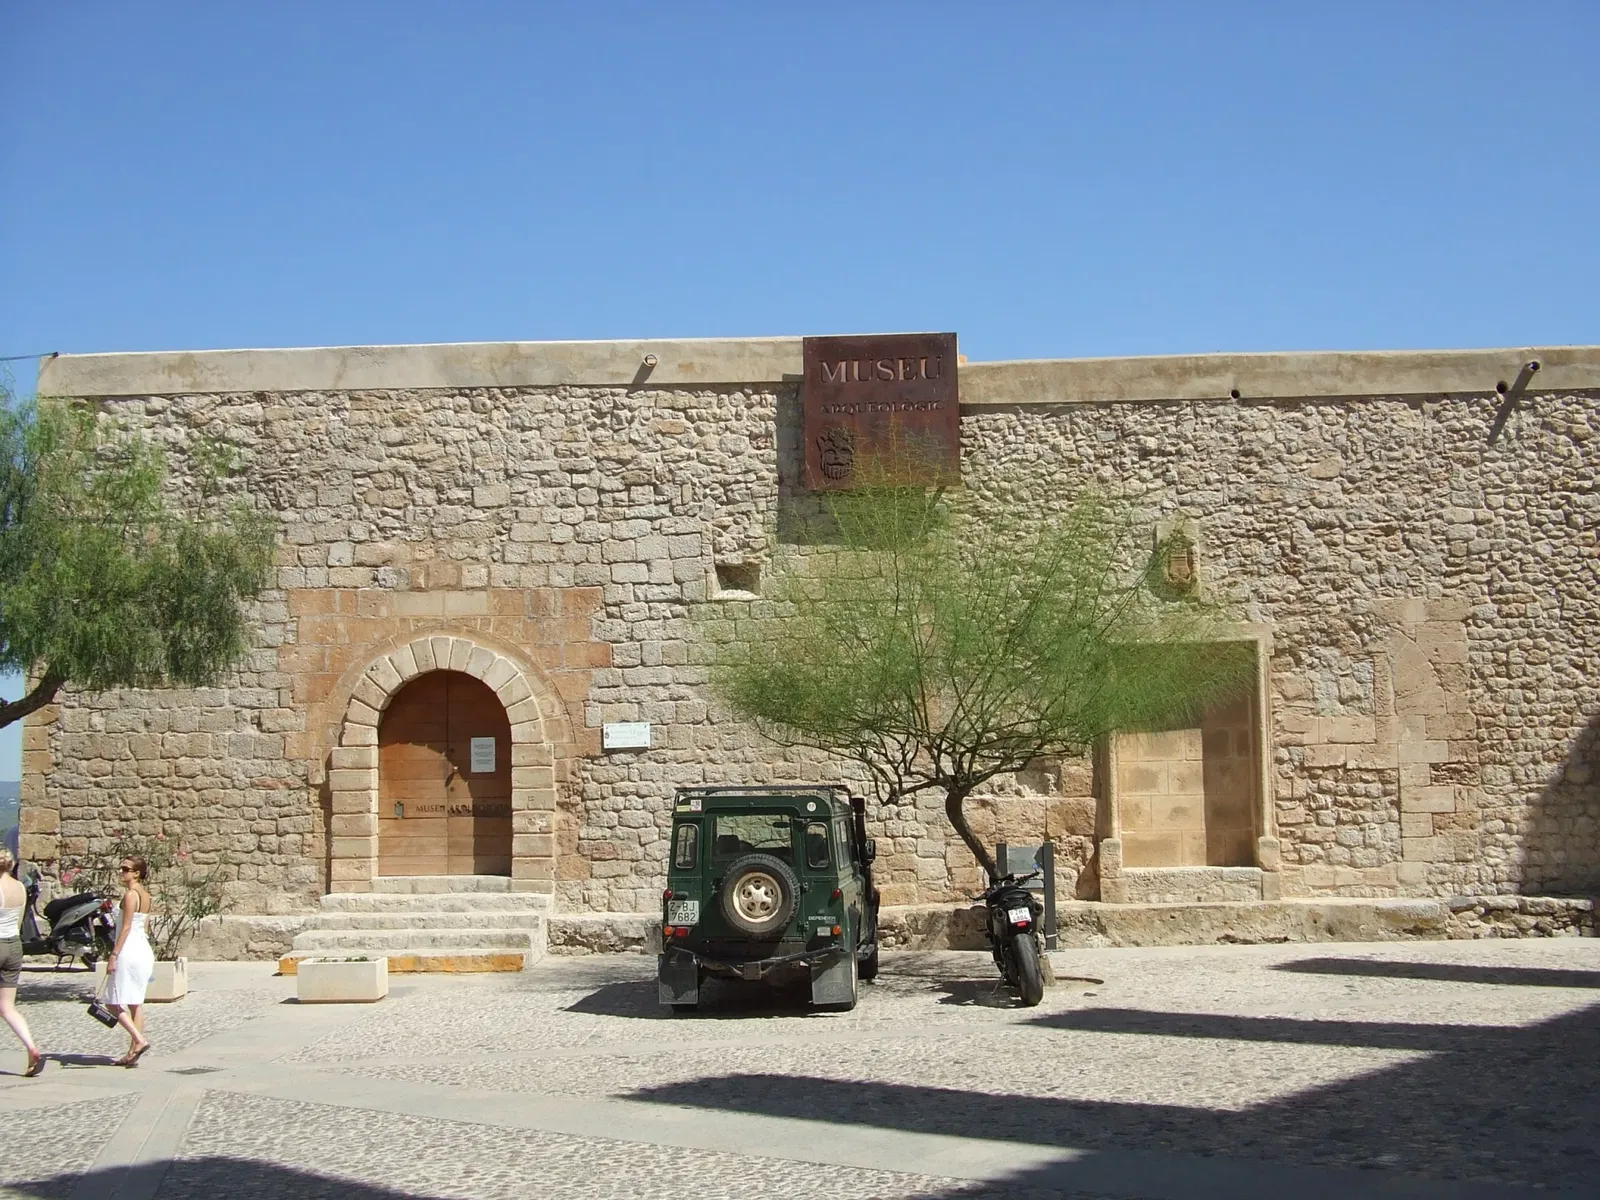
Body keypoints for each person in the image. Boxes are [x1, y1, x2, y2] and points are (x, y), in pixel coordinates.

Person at [104, 855, 154, 1067]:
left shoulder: (130, 895)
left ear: (137, 873)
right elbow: (145, 926)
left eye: (126, 869)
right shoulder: (147, 896)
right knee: (136, 1002)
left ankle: (138, 1039)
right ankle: (133, 1051)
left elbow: (125, 927)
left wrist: (113, 955)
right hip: (143, 948)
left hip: (129, 949)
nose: (122, 872)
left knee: (111, 1001)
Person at [0, 846, 45, 1076]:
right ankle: (31, 1046)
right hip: (13, 945)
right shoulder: (19, 887)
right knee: (7, 1006)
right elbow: (19, 921)